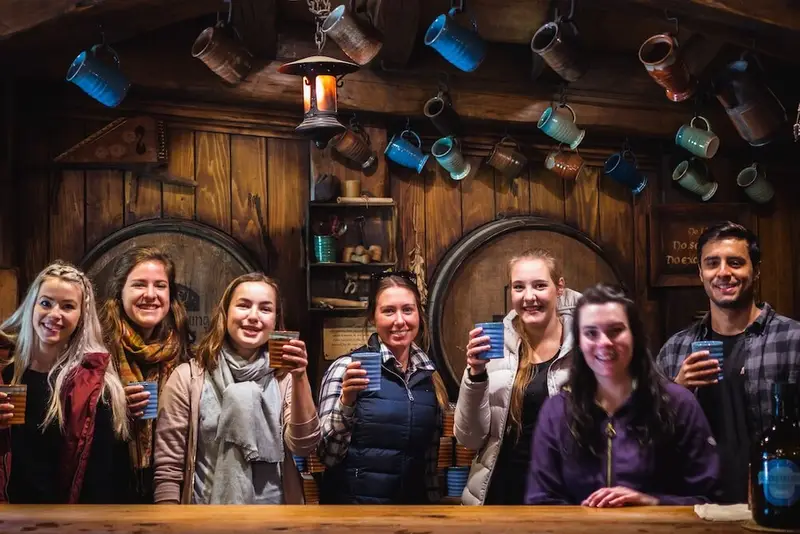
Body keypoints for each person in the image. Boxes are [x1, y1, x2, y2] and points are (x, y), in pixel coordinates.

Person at [525, 284, 720, 506]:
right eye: (591, 333)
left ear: (635, 336)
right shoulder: (556, 411)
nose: (604, 343)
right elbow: (540, 500)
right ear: (578, 342)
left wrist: (652, 503)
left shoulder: (678, 404)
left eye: (616, 330)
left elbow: (708, 499)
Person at [656, 221, 800, 504]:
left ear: (755, 271)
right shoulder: (675, 349)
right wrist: (676, 392)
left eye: (735, 262)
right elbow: (646, 438)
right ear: (700, 273)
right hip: (695, 507)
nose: (723, 272)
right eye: (712, 263)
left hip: (778, 503)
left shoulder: (793, 340)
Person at [153, 273, 320, 504]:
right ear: (226, 312)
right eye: (243, 305)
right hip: (205, 520)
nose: (253, 316)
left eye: (265, 309)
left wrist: (300, 377)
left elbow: (304, 445)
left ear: (275, 320)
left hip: (277, 519)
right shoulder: (188, 377)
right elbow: (168, 469)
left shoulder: (285, 379)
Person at [454, 249, 581, 505]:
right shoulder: (495, 347)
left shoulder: (587, 345)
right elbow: (470, 437)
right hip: (500, 494)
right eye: (518, 287)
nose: (529, 297)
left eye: (540, 285)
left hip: (563, 498)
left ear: (559, 288)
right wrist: (475, 375)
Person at [0, 261, 130, 503]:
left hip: (66, 521)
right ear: (31, 306)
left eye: (68, 306)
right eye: (46, 303)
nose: (54, 315)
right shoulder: (4, 371)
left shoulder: (97, 387)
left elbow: (102, 480)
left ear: (81, 317)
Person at [317, 271, 449, 504]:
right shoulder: (346, 368)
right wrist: (346, 403)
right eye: (389, 311)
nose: (400, 320)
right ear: (373, 318)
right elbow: (328, 456)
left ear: (419, 314)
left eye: (407, 310)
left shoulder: (429, 377)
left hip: (412, 516)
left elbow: (429, 465)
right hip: (355, 515)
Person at [99, 246, 194, 502]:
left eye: (160, 286)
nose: (150, 295)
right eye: (139, 285)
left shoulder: (184, 350)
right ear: (120, 292)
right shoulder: (97, 347)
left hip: (171, 483)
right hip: (108, 484)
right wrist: (113, 408)